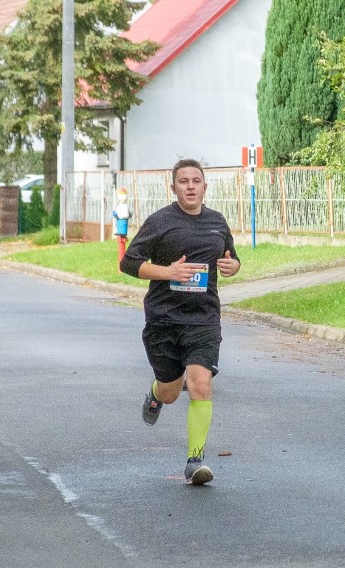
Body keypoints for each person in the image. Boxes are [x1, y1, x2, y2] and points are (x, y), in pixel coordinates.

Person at [119, 158, 241, 486]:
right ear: (173, 187)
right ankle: (157, 393)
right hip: (164, 318)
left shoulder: (216, 222)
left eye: (196, 181)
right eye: (183, 181)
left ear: (204, 186)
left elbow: (231, 257)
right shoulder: (160, 222)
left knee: (201, 383)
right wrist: (167, 272)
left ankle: (195, 459)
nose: (190, 186)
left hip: (203, 318)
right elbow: (128, 263)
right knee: (173, 392)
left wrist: (234, 267)